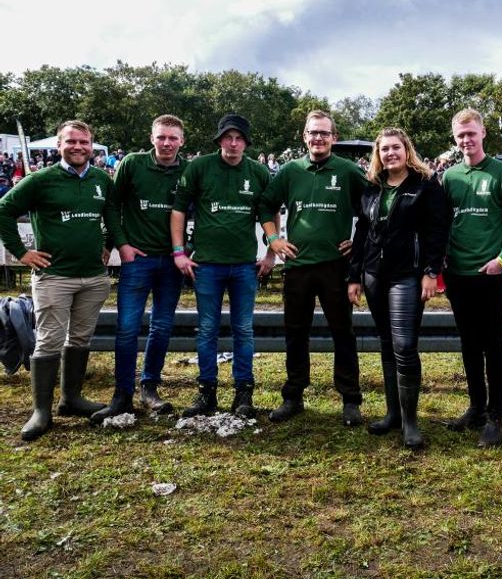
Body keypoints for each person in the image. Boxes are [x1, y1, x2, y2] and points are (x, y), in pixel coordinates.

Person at [0, 120, 120, 440]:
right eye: (71, 142)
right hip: (54, 276)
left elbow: (110, 215)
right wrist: (21, 253)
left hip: (93, 278)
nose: (78, 147)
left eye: (84, 142)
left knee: (79, 339)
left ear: (92, 145)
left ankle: (72, 398)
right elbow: (3, 210)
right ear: (59, 145)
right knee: (49, 340)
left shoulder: (100, 179)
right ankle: (41, 410)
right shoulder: (40, 180)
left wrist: (108, 243)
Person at [258, 110, 368, 426]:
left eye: (324, 133)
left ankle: (350, 400)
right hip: (298, 266)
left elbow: (373, 209)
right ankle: (293, 396)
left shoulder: (348, 171)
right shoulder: (291, 170)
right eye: (312, 133)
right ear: (304, 137)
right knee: (295, 333)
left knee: (342, 334)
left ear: (333, 137)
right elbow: (265, 205)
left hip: (336, 267)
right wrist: (274, 240)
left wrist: (358, 242)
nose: (318, 138)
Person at [171, 114, 276, 418]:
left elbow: (270, 212)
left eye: (239, 138)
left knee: (243, 329)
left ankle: (244, 393)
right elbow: (178, 210)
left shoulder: (258, 172)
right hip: (207, 265)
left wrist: (271, 252)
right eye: (227, 138)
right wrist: (179, 252)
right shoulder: (200, 167)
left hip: (245, 265)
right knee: (207, 330)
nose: (233, 143)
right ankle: (207, 393)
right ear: (219, 141)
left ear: (246, 142)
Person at [347, 128, 447, 449]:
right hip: (375, 273)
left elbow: (436, 231)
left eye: (396, 148)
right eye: (385, 149)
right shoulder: (372, 187)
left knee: (405, 345)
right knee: (387, 343)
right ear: (379, 154)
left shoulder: (426, 185)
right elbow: (362, 233)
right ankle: (392, 414)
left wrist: (432, 271)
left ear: (407, 150)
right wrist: (354, 276)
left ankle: (410, 421)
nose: (391, 154)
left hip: (408, 274)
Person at [91, 115, 189, 422]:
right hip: (138, 260)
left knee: (161, 326)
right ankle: (122, 394)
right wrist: (121, 244)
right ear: (152, 138)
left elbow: (197, 211)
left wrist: (188, 250)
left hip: (171, 262)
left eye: (173, 138)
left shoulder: (189, 169)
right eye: (161, 137)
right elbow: (112, 206)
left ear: (182, 141)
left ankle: (149, 388)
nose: (167, 143)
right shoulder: (132, 163)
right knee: (128, 328)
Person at [441, 108, 502, 448]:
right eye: (460, 135)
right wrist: (443, 255)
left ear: (483, 133)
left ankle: (495, 414)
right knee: (469, 343)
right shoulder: (449, 177)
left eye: (471, 133)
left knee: (492, 343)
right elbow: (443, 221)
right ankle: (475, 406)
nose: (466, 140)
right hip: (458, 273)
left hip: (489, 273)